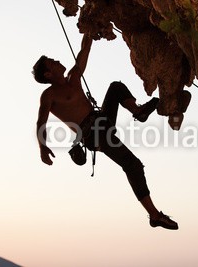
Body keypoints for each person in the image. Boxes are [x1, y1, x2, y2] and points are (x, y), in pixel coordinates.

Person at [32, 33, 178, 230]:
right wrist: (42, 146)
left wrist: (89, 28)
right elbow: (41, 121)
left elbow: (84, 50)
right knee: (132, 165)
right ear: (48, 74)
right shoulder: (48, 95)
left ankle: (138, 111)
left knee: (115, 87)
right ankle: (154, 215)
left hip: (102, 121)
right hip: (94, 135)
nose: (58, 61)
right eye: (52, 62)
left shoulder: (73, 77)